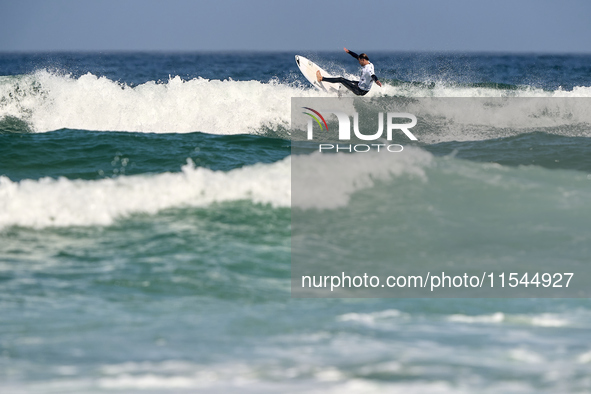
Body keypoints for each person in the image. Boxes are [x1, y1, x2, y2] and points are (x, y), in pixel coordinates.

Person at [316, 47, 383, 96]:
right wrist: (349, 52)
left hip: (360, 91)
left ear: (363, 60)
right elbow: (357, 56)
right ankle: (342, 94)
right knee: (350, 82)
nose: (359, 62)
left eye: (359, 61)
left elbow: (373, 76)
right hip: (363, 87)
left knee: (341, 79)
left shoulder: (368, 69)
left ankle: (321, 78)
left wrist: (377, 81)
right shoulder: (369, 63)